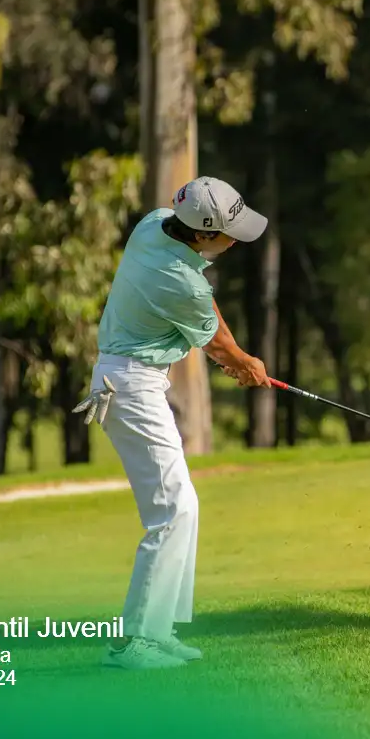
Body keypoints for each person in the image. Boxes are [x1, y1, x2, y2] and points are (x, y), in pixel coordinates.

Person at [73, 176, 271, 671]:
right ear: (202, 233)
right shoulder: (179, 281)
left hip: (131, 381)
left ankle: (158, 632)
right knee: (172, 511)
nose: (234, 241)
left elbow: (205, 306)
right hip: (131, 387)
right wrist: (245, 363)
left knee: (183, 507)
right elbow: (215, 340)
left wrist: (233, 353)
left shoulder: (155, 224)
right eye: (228, 234)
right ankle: (134, 643)